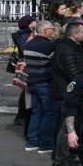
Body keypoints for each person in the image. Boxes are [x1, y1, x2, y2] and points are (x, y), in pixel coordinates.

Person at [51, 19, 83, 166]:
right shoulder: (66, 50)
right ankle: (61, 159)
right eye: (82, 32)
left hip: (68, 91)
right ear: (75, 34)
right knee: (66, 127)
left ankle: (66, 155)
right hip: (66, 92)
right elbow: (73, 73)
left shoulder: (72, 47)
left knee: (68, 125)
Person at [23, 20, 59, 154]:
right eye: (52, 29)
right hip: (45, 82)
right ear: (45, 31)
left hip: (33, 82)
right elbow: (56, 62)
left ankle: (32, 142)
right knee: (49, 113)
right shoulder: (47, 46)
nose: (54, 31)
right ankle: (45, 144)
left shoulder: (29, 44)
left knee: (36, 113)